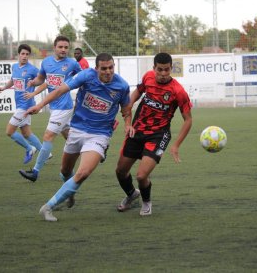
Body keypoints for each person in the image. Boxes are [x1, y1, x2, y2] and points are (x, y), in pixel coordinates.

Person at [25, 53, 132, 222]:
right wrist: (39, 105)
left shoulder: (122, 86)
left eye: (111, 67)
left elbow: (126, 109)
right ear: (96, 68)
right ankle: (70, 193)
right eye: (104, 68)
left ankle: (48, 207)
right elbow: (60, 89)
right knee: (65, 171)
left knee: (83, 173)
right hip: (76, 130)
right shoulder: (86, 75)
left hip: (100, 134)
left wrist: (128, 124)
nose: (108, 71)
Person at [115, 52, 193, 216]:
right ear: (154, 68)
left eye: (167, 70)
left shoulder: (178, 91)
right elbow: (137, 93)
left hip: (158, 135)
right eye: (160, 70)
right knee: (120, 171)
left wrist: (176, 145)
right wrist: (128, 109)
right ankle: (131, 195)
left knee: (141, 175)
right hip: (137, 131)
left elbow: (188, 120)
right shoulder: (148, 77)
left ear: (171, 68)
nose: (163, 74)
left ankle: (146, 202)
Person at [19, 35, 82, 181]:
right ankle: (94, 149)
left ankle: (35, 172)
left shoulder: (72, 64)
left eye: (66, 47)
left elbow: (83, 77)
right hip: (54, 106)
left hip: (64, 107)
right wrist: (33, 83)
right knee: (70, 136)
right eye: (60, 47)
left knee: (48, 136)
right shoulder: (46, 62)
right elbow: (42, 79)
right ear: (54, 48)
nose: (63, 50)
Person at [0, 44, 43, 164]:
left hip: (26, 105)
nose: (25, 56)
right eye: (22, 54)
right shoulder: (14, 67)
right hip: (19, 104)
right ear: (18, 55)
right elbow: (13, 81)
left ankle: (30, 149)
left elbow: (42, 79)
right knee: (26, 132)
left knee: (9, 131)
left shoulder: (32, 69)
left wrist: (34, 83)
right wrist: (3, 87)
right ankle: (46, 153)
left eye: (27, 54)